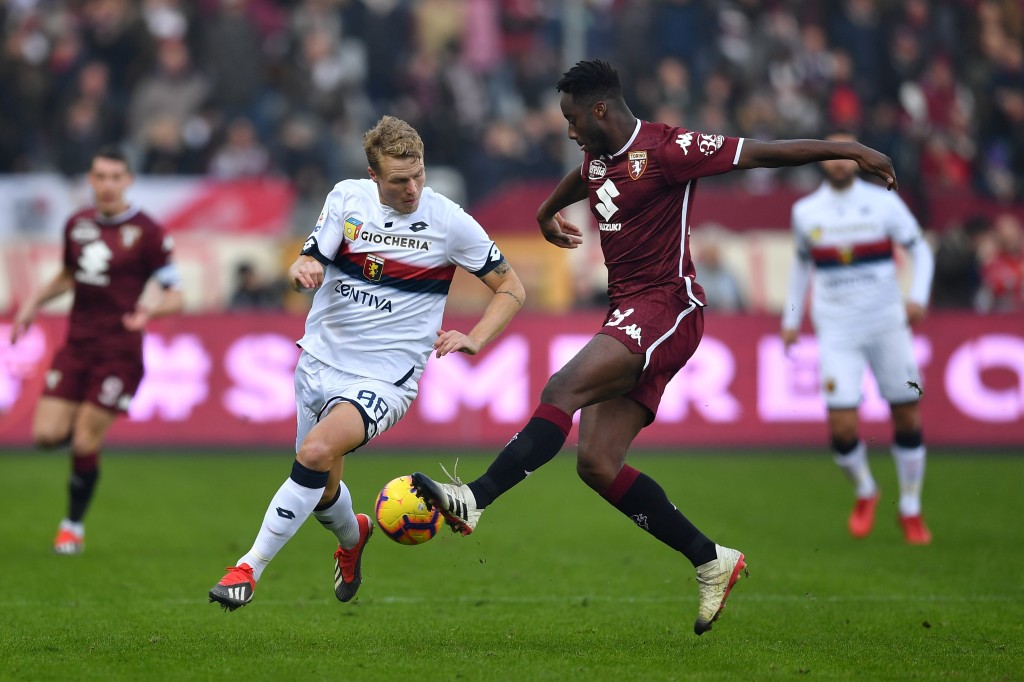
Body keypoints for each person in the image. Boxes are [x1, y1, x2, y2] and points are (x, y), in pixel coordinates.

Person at [411, 59, 901, 636]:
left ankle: (475, 499)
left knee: (559, 389)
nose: (569, 131)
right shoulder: (598, 154)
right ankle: (711, 560)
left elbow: (764, 152)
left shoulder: (671, 149)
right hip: (628, 310)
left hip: (669, 306)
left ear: (600, 110)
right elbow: (586, 174)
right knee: (596, 464)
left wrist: (849, 151)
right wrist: (548, 212)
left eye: (572, 119)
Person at [208, 116, 525, 611]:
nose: (412, 188)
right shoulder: (346, 199)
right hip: (318, 361)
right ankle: (354, 538)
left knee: (313, 453)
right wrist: (301, 269)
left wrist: (476, 337)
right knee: (322, 486)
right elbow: (307, 261)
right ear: (374, 176)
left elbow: (511, 287)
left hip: (386, 377)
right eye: (399, 180)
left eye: (418, 174)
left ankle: (248, 567)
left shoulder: (448, 221)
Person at [9, 146, 184, 555]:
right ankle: (83, 428)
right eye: (100, 177)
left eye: (115, 177)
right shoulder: (76, 224)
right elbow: (70, 274)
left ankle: (71, 527)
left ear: (128, 181)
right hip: (76, 345)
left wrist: (149, 311)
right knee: (47, 436)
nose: (107, 185)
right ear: (90, 180)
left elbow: (176, 295)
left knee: (85, 440)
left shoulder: (148, 232)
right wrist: (32, 304)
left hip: (119, 352)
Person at [780, 132, 935, 545]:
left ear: (858, 160)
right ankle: (866, 491)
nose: (841, 162)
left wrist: (916, 297)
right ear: (824, 160)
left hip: (888, 325)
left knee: (906, 415)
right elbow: (799, 269)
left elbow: (921, 251)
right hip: (837, 330)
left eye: (849, 154)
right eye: (834, 154)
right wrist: (791, 318)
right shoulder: (806, 211)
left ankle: (911, 508)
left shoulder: (884, 202)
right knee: (843, 427)